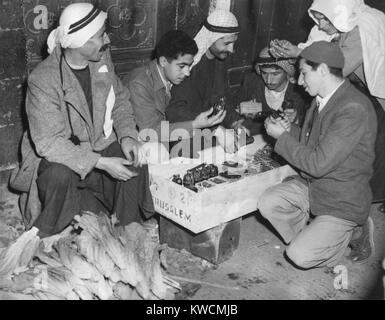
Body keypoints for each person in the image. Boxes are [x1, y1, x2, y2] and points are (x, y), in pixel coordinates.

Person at [10, 3, 155, 237]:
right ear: (81, 42)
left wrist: (128, 135)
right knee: (59, 176)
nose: (106, 39)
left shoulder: (101, 60)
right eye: (100, 36)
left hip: (96, 147)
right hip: (59, 158)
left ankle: (126, 228)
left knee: (133, 159)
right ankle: (56, 229)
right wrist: (101, 163)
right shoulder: (43, 80)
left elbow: (119, 99)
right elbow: (49, 144)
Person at [259, 41, 376, 269]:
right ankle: (316, 233)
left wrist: (281, 138)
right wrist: (287, 131)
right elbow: (309, 143)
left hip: (341, 200)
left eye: (303, 73)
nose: (299, 82)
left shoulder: (353, 108)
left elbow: (317, 164)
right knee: (268, 202)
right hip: (315, 187)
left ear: (322, 70)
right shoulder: (321, 99)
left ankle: (355, 233)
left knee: (299, 256)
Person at [269, 0, 385, 204]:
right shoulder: (344, 23)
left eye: (323, 19)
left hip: (374, 96)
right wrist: (297, 51)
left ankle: (363, 206)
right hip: (356, 89)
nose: (320, 25)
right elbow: (321, 52)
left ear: (339, 13)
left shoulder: (360, 31)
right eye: (319, 18)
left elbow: (335, 70)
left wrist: (300, 55)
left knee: (375, 153)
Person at [122, 30, 226, 152]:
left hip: (165, 138)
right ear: (163, 61)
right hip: (141, 144)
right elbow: (151, 132)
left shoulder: (172, 76)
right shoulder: (139, 84)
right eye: (182, 66)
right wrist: (196, 125)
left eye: (189, 66)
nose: (187, 73)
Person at [166, 9, 248, 155]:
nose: (232, 49)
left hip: (212, 133)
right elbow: (176, 112)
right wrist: (215, 130)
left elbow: (221, 99)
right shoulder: (189, 66)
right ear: (211, 37)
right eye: (227, 43)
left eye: (233, 43)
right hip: (186, 140)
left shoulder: (219, 60)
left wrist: (235, 122)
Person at [235, 46, 309, 136]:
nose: (269, 80)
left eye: (275, 74)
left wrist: (296, 120)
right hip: (254, 139)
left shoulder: (300, 91)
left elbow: (310, 128)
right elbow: (232, 105)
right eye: (264, 73)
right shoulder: (252, 82)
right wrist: (241, 114)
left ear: (287, 72)